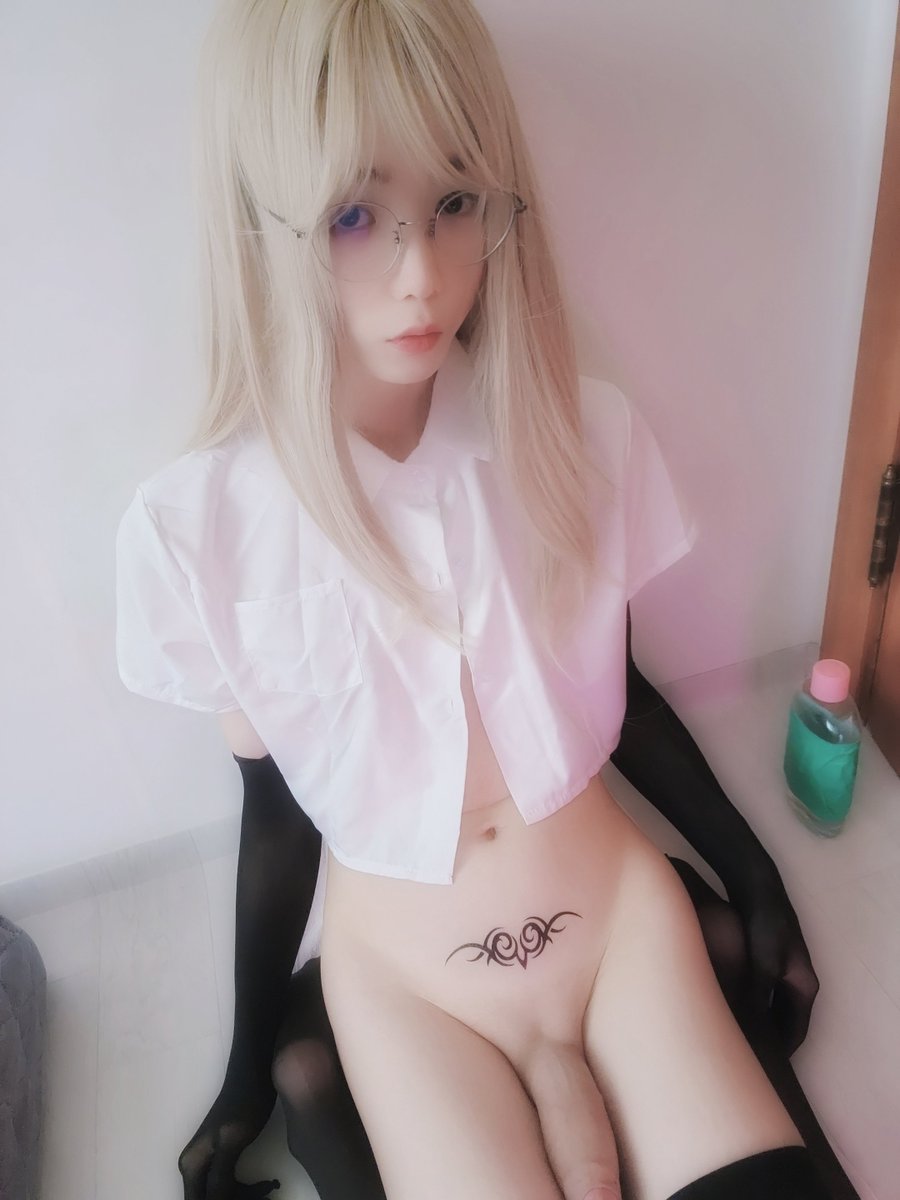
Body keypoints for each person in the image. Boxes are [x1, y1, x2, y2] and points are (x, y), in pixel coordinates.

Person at [114, 2, 860, 1198]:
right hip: (413, 991)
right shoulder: (201, 534)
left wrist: (756, 874)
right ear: (264, 221)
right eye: (354, 214)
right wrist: (246, 1070)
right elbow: (279, 812)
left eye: (457, 199)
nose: (423, 275)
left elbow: (617, 694)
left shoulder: (578, 439)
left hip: (619, 926)